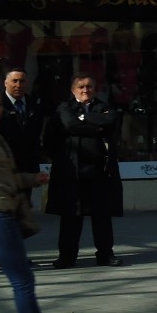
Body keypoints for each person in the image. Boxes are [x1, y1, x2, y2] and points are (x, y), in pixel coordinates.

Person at [0, 100, 84, 313]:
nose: (0, 109)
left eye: (0, 104)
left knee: (22, 280)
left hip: (4, 210)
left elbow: (5, 176)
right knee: (22, 280)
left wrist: (30, 178)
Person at [43, 74, 125, 269]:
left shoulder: (104, 107)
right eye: (81, 87)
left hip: (99, 173)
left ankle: (105, 255)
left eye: (89, 86)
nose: (85, 90)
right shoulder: (65, 108)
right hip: (72, 173)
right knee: (71, 217)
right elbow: (68, 125)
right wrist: (97, 127)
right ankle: (67, 257)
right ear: (73, 90)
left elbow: (111, 121)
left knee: (102, 217)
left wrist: (84, 118)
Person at [0, 67, 44, 179]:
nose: (18, 85)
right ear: (5, 83)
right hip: (4, 166)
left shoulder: (34, 105)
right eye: (14, 81)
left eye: (22, 81)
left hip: (29, 166)